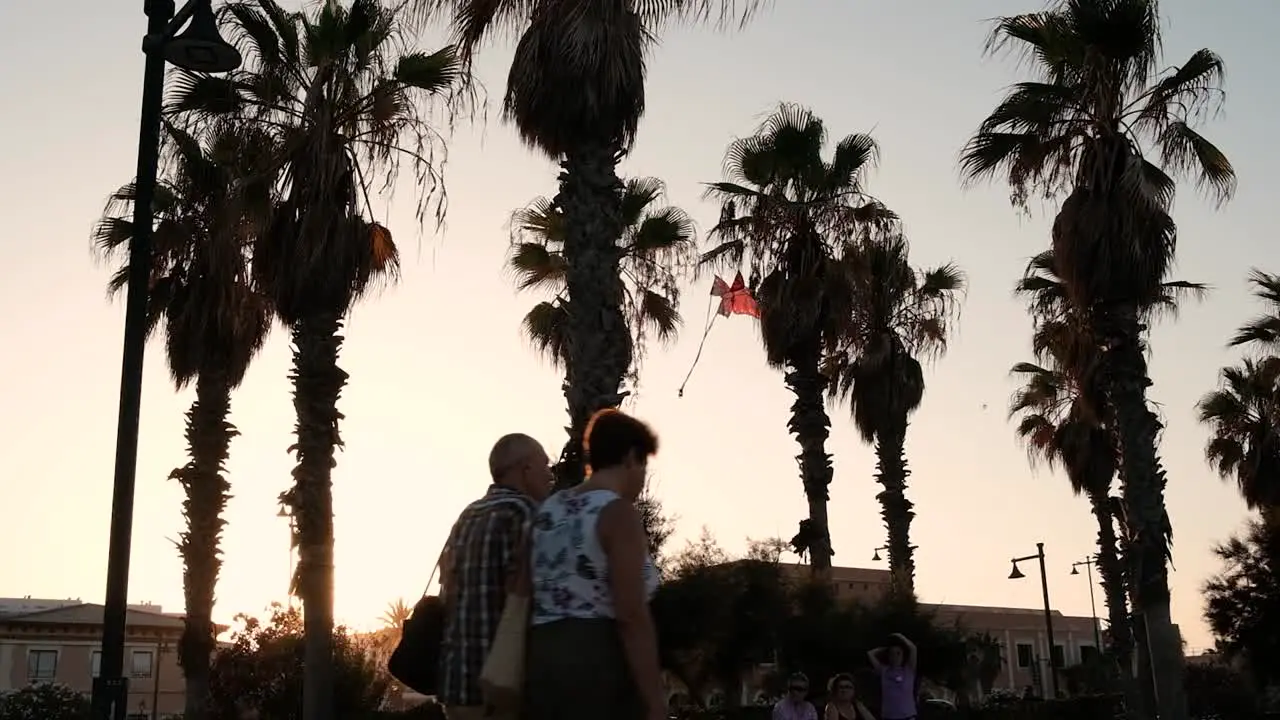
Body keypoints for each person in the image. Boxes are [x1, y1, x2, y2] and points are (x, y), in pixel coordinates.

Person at [523, 409, 665, 720]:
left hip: (539, 663)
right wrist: (655, 700)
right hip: (596, 661)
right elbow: (630, 613)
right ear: (630, 458)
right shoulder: (618, 513)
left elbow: (521, 587)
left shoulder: (547, 510)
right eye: (643, 464)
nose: (642, 477)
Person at [436, 433, 553, 720]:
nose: (550, 474)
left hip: (457, 686)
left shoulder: (467, 515)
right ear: (525, 469)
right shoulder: (528, 514)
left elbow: (447, 592)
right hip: (504, 690)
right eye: (544, 464)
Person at [868, 633, 918, 720]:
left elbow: (913, 648)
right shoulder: (883, 670)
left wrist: (900, 636)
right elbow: (870, 654)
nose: (895, 656)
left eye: (898, 653)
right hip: (888, 716)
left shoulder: (908, 670)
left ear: (903, 656)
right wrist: (884, 648)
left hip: (907, 716)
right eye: (892, 654)